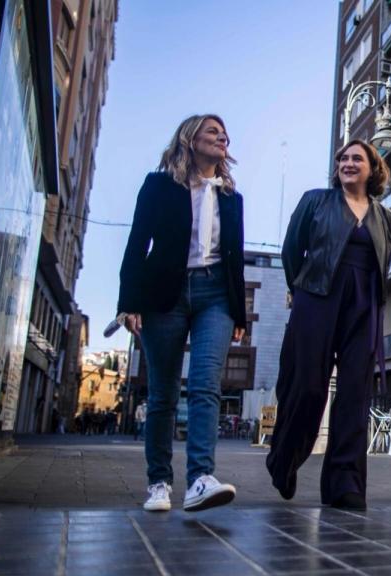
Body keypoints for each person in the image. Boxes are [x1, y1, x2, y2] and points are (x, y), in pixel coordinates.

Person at [118, 114, 247, 513]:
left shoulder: (231, 197)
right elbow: (138, 241)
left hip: (216, 295)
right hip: (165, 293)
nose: (221, 137)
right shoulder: (159, 185)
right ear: (190, 139)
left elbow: (234, 259)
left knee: (207, 383)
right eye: (212, 131)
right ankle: (159, 483)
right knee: (164, 393)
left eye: (225, 133)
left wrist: (239, 312)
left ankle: (200, 480)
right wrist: (128, 300)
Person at [267, 139, 391, 511]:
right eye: (343, 158)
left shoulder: (385, 217)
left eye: (357, 158)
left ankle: (345, 484)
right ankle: (284, 459)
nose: (348, 162)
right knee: (307, 386)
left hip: (364, 304)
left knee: (355, 394)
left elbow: (382, 265)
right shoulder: (315, 201)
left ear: (373, 168)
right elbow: (292, 251)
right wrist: (302, 290)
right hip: (316, 297)